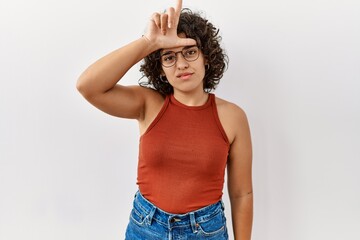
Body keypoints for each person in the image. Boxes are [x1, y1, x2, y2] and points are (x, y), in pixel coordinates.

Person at [76, 0, 253, 239]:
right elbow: (88, 86)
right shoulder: (148, 104)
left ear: (206, 57)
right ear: (160, 69)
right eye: (169, 57)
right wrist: (149, 43)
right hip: (145, 227)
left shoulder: (232, 116)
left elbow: (242, 193)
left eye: (190, 52)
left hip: (205, 231)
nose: (181, 64)